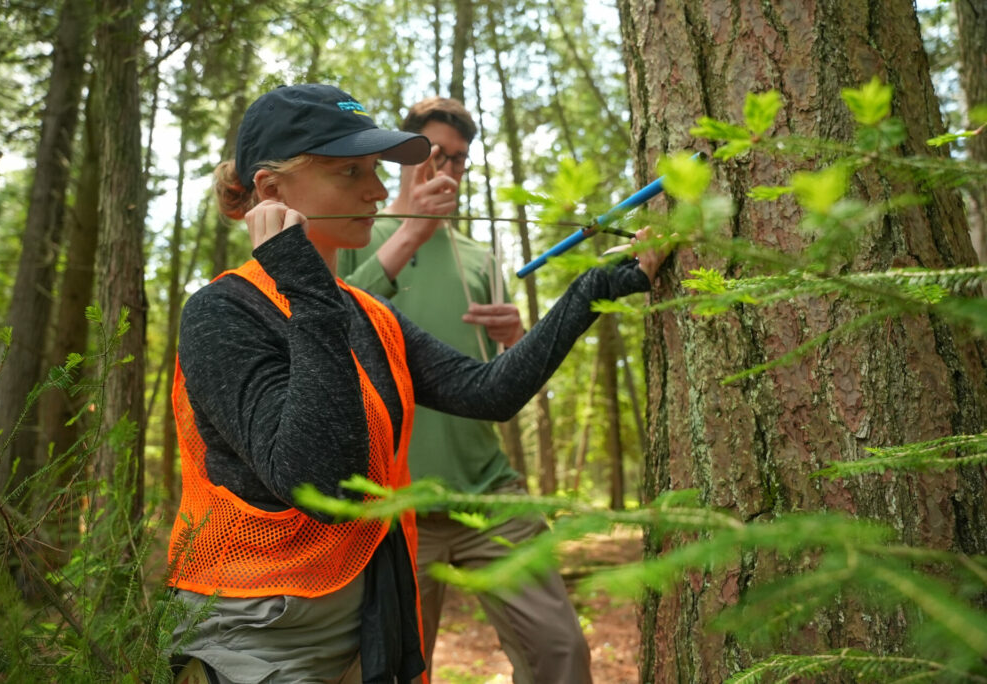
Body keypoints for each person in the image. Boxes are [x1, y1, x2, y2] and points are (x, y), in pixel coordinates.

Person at [167, 83, 669, 684]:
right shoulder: (220, 312)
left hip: (364, 619)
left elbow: (488, 392)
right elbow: (317, 482)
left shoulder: (366, 314)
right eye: (350, 171)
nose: (379, 190)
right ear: (271, 190)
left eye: (375, 170)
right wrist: (306, 285)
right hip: (255, 633)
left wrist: (598, 287)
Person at [337, 97, 584, 683]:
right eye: (433, 154)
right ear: (402, 157)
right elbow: (332, 331)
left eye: (458, 159)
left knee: (561, 652)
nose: (445, 169)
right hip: (393, 506)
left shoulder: (480, 258)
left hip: (488, 493)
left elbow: (502, 386)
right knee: (392, 671)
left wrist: (517, 339)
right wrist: (411, 233)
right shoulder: (354, 236)